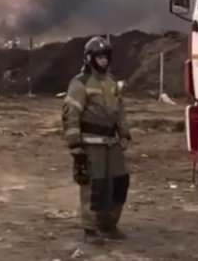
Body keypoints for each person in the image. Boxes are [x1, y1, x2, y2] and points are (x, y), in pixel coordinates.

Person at [61, 36, 132, 242]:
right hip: (91, 143)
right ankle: (91, 229)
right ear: (90, 58)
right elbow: (71, 113)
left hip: (112, 143)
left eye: (105, 57)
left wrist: (124, 132)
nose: (103, 60)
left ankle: (109, 225)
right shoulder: (80, 83)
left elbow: (120, 110)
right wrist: (74, 143)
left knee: (120, 183)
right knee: (95, 186)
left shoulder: (111, 83)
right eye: (99, 57)